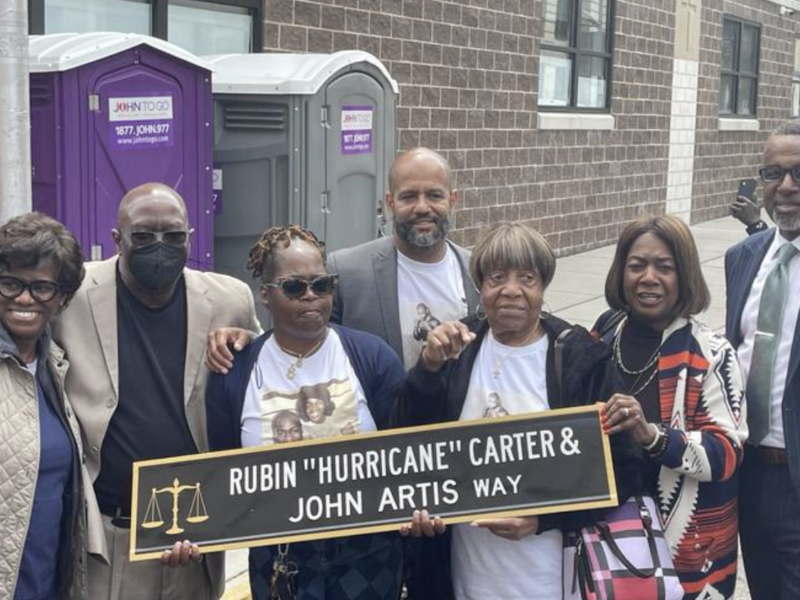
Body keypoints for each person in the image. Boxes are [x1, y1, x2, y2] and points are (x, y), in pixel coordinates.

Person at [394, 221, 643, 600]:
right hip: (463, 573)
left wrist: (543, 519)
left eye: (527, 278)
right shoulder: (457, 349)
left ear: (543, 286)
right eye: (497, 277)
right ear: (480, 286)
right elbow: (410, 442)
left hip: (549, 577)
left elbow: (624, 468)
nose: (511, 290)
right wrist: (427, 369)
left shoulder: (580, 358)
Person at [52, 183, 260, 600]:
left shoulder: (230, 299)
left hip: (195, 537)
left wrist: (246, 342)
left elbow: (261, 394)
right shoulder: (70, 295)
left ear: (190, 236)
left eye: (174, 236)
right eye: (143, 236)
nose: (160, 246)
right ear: (117, 239)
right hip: (106, 542)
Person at [206, 225, 407, 600]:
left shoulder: (373, 358)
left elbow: (405, 456)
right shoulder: (235, 372)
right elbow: (224, 472)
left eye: (322, 284)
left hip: (368, 556)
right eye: (295, 287)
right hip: (280, 560)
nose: (311, 296)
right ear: (265, 295)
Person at [204, 148, 480, 373]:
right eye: (408, 196)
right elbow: (298, 339)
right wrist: (247, 343)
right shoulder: (346, 271)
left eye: (434, 195)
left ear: (453, 200)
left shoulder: (477, 273)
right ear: (390, 202)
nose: (422, 207)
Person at [596, 215, 747, 600]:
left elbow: (726, 453)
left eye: (664, 267)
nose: (648, 277)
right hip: (607, 541)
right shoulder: (603, 334)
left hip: (686, 553)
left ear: (685, 276)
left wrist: (652, 435)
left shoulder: (712, 353)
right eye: (636, 265)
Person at [725, 119, 800, 600]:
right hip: (748, 472)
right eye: (774, 174)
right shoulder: (743, 256)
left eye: (799, 174)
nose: (787, 187)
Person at [0, 212, 90, 600]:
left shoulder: (55, 366)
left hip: (46, 584)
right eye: (10, 283)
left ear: (62, 298)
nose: (24, 297)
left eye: (41, 287)